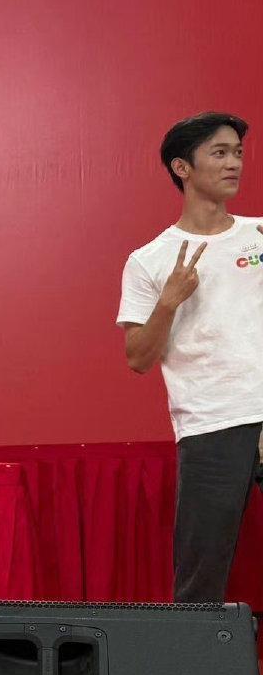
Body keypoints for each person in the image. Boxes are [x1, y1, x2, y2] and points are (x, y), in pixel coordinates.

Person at [119, 112, 263, 602]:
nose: (234, 164)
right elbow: (138, 357)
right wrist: (169, 302)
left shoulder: (259, 235)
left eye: (237, 153)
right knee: (200, 577)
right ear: (182, 168)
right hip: (211, 423)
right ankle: (193, 655)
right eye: (219, 153)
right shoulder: (150, 260)